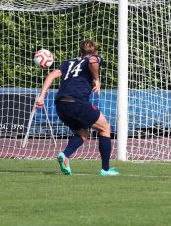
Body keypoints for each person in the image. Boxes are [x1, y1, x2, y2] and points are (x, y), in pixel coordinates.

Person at [35, 40, 119, 176]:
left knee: (83, 133)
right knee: (105, 128)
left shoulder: (68, 63)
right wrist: (97, 79)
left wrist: (41, 97)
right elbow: (92, 61)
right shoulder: (94, 57)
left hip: (60, 104)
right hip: (77, 103)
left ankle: (65, 155)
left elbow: (51, 75)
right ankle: (106, 169)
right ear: (96, 51)